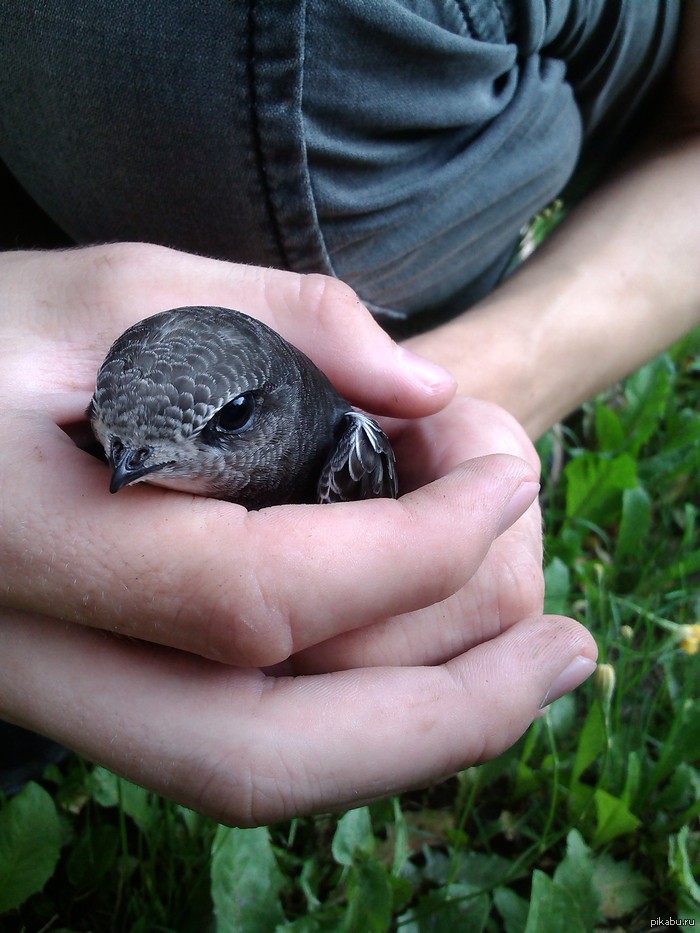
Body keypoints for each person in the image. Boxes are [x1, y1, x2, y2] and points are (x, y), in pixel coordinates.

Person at [0, 1, 697, 825]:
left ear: (265, 409)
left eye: (221, 427)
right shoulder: (138, 428)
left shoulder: (333, 450)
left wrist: (457, 390)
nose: (122, 464)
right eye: (111, 435)